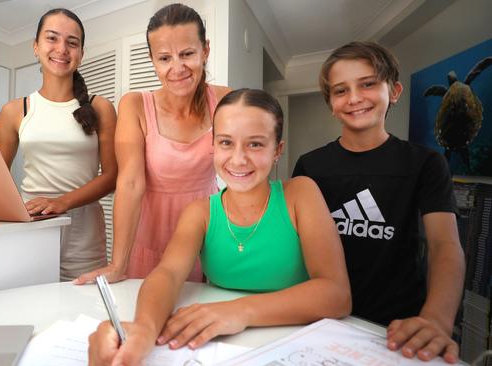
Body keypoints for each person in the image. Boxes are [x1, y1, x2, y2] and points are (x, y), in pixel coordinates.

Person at [88, 88, 352, 365]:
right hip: (227, 350)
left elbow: (336, 293)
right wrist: (144, 328)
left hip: (300, 345)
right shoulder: (200, 212)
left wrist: (241, 311)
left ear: (278, 150)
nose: (238, 159)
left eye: (256, 144)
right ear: (212, 145)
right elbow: (167, 274)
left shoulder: (300, 193)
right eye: (226, 143)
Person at [292, 41, 465, 363]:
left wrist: (437, 319)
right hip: (321, 320)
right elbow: (295, 244)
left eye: (368, 84)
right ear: (331, 103)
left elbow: (445, 245)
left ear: (394, 90)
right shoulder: (309, 166)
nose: (355, 98)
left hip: (396, 326)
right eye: (340, 90)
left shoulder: (425, 164)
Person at [75, 3, 231, 284]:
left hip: (206, 237)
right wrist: (117, 264)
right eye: (164, 58)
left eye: (187, 54)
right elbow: (130, 183)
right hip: (149, 235)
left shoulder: (226, 101)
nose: (177, 68)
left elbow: (242, 171)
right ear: (152, 60)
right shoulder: (135, 105)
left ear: (205, 50)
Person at [0, 8, 117, 281]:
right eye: (52, 38)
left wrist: (62, 202)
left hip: (84, 235)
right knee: (30, 309)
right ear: (36, 47)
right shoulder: (16, 110)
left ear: (81, 53)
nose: (61, 49)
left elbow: (111, 177)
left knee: (84, 312)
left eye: (72, 42)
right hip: (31, 228)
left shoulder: (101, 107)